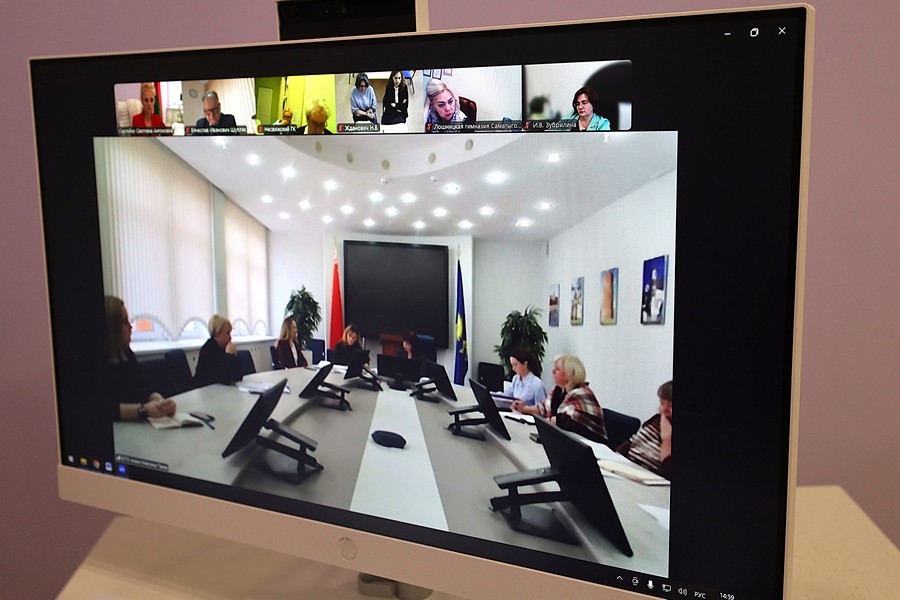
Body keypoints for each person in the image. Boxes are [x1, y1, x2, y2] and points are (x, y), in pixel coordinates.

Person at [105, 295, 176, 421]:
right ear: (112, 328)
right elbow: (104, 408)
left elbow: (144, 388)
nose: (131, 327)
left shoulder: (126, 354)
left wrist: (159, 400)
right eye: (125, 322)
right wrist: (144, 410)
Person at [511, 354, 607, 443]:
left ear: (570, 373)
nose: (553, 372)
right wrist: (524, 409)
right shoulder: (558, 390)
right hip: (566, 441)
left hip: (590, 445)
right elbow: (543, 408)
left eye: (557, 369)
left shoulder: (582, 394)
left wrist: (551, 420)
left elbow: (566, 422)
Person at [617, 381, 672, 479]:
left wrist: (667, 440)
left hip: (650, 479)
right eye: (662, 403)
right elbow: (632, 442)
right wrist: (615, 458)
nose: (664, 410)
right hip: (629, 469)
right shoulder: (656, 420)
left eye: (671, 406)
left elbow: (670, 473)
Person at [193, 314, 243, 387]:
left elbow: (238, 376)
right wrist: (230, 356)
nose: (230, 338)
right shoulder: (209, 349)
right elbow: (222, 377)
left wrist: (231, 356)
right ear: (217, 334)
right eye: (227, 333)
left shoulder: (223, 348)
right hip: (206, 390)